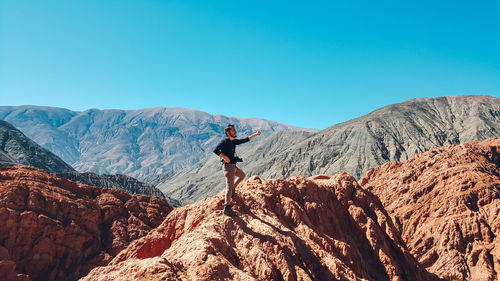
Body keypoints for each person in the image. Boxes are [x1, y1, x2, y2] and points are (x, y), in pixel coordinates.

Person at [213, 124, 261, 216]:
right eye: (233, 131)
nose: (235, 132)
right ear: (228, 133)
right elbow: (215, 150)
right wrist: (225, 157)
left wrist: (255, 134)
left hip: (233, 166)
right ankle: (227, 207)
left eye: (235, 130)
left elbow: (246, 140)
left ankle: (233, 189)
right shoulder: (225, 141)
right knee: (229, 186)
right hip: (228, 167)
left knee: (242, 175)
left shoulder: (233, 141)